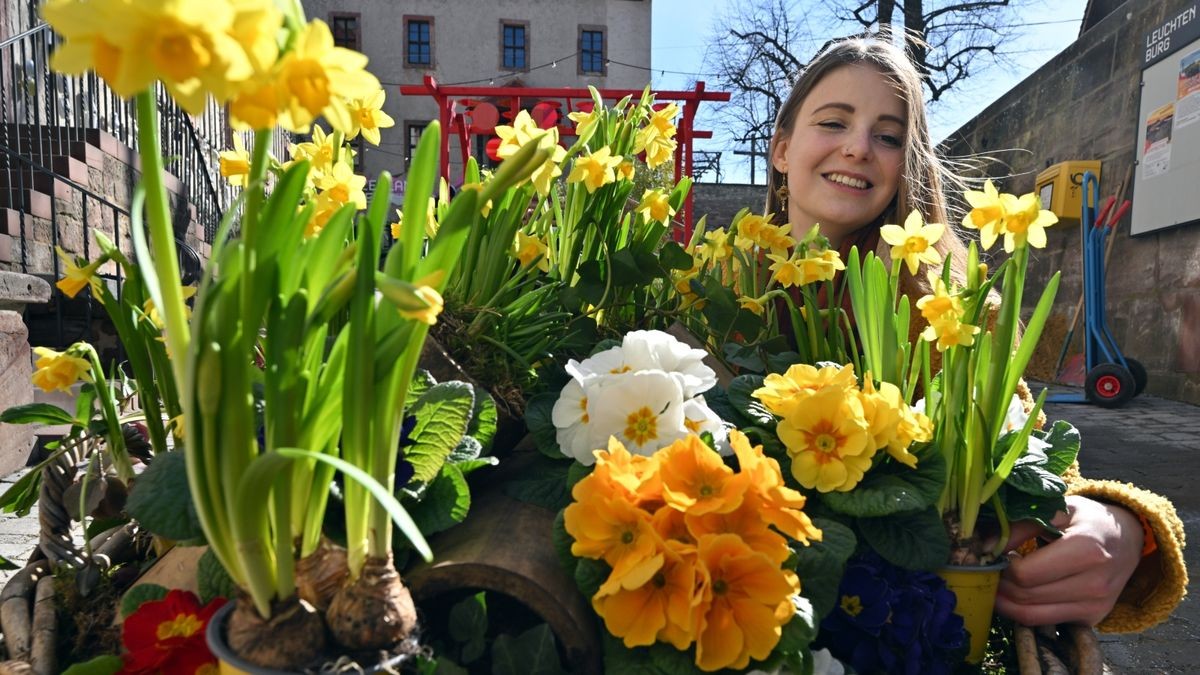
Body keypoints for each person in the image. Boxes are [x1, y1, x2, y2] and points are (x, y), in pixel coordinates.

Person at [764, 34, 1186, 632]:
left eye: (888, 136)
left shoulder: (950, 311)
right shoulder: (711, 297)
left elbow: (1021, 457)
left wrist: (1117, 525)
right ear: (782, 149)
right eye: (834, 122)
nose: (858, 148)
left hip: (915, 621)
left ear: (906, 166)